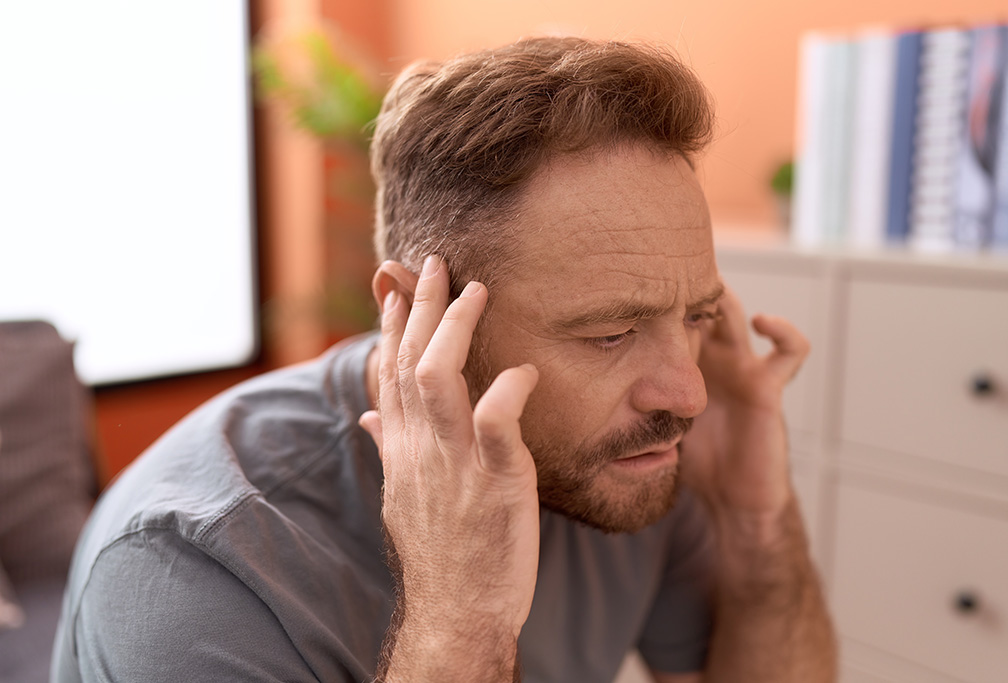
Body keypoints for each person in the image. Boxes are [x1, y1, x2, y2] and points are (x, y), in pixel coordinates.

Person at [52, 36, 836, 682]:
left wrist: (756, 522)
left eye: (696, 316)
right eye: (609, 333)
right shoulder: (189, 570)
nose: (688, 391)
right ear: (411, 314)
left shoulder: (629, 449)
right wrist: (460, 614)